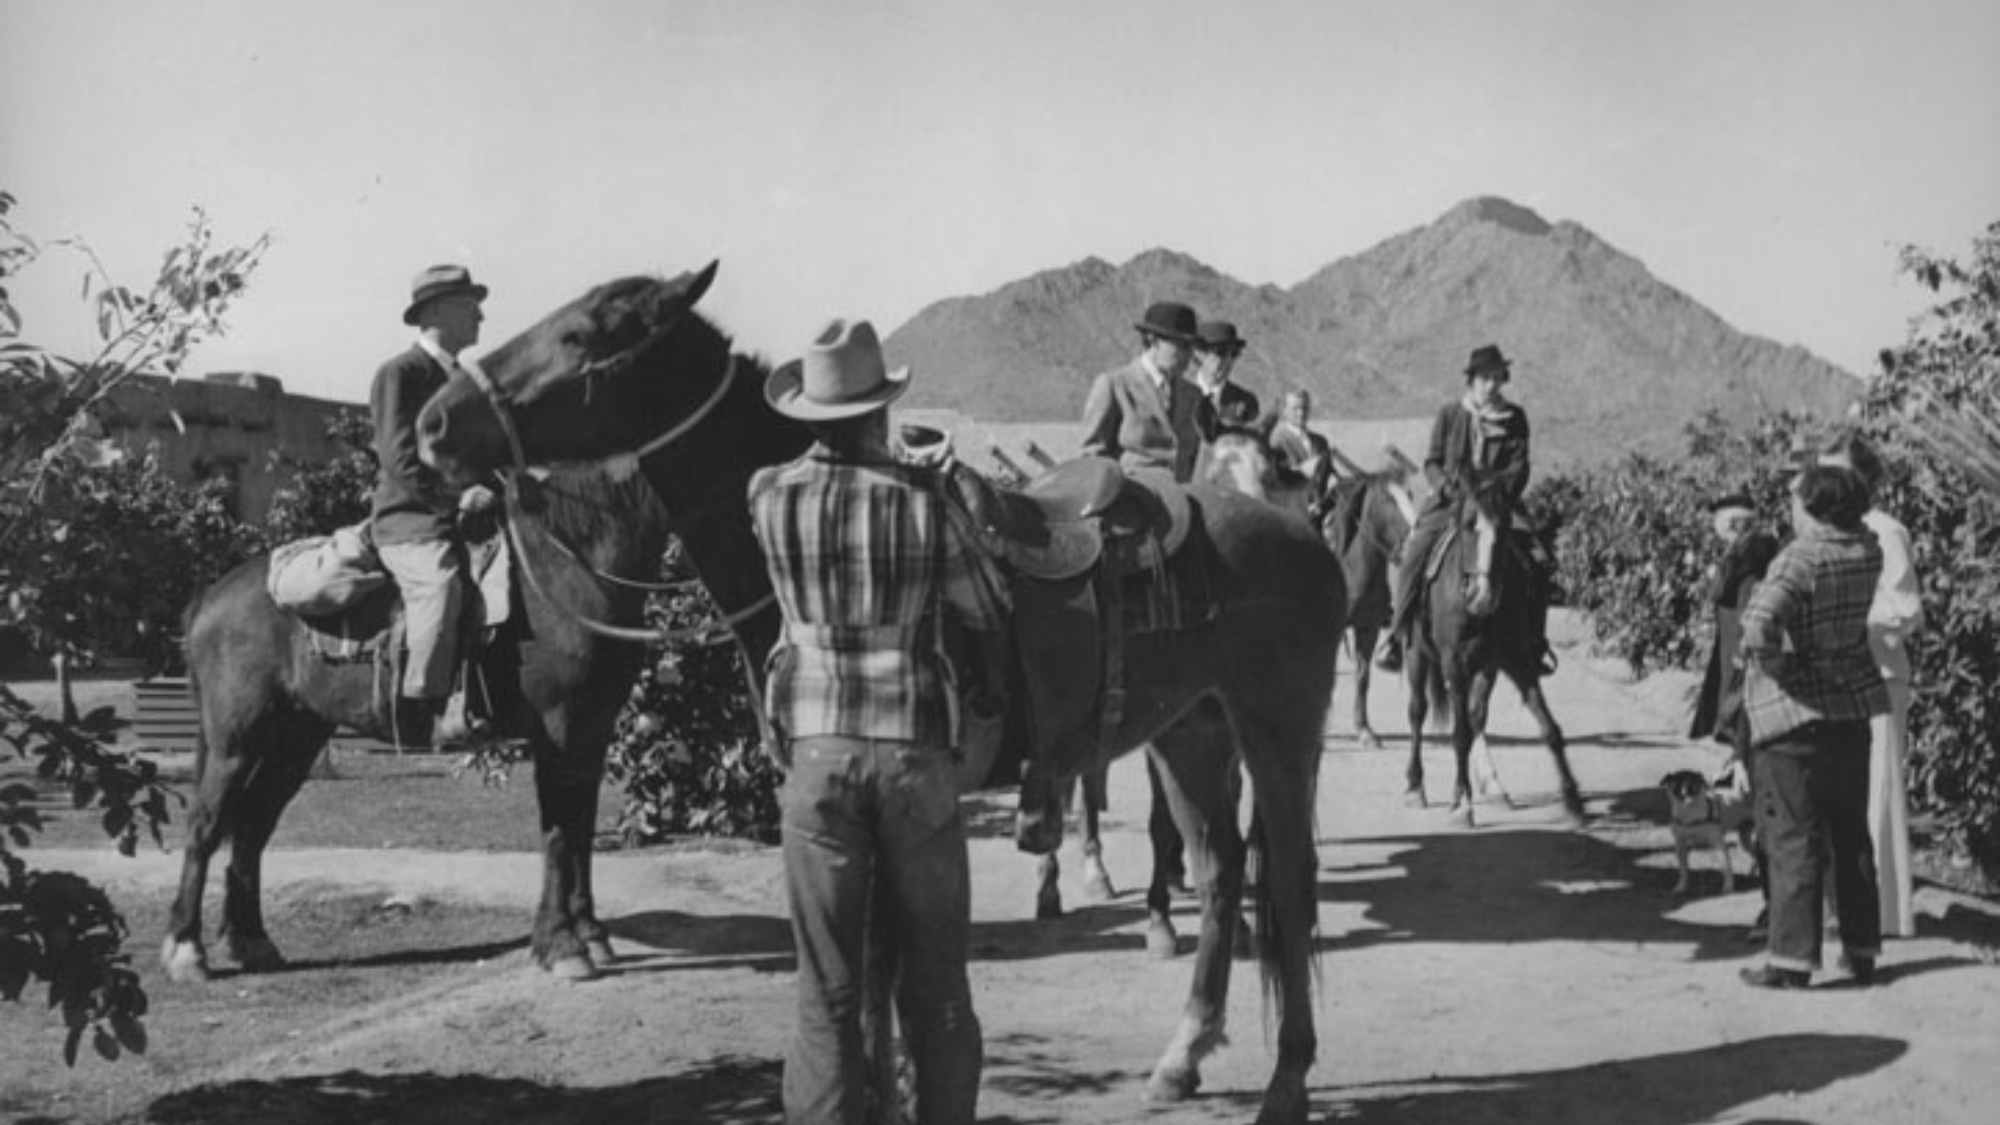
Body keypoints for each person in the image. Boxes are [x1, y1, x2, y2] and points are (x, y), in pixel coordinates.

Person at [749, 317, 1006, 1125]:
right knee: (938, 989)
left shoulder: (767, 495)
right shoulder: (923, 501)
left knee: (826, 995)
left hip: (816, 755)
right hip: (914, 757)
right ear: (877, 411)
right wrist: (937, 483)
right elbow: (986, 604)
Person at [1736, 464, 1890, 990]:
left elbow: (1756, 628)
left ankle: (1792, 960)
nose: (1790, 509)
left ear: (1814, 507)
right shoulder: (1869, 550)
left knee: (1792, 837)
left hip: (1793, 718)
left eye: (1795, 500)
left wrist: (1783, 671)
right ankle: (1862, 949)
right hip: (1851, 708)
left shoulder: (1800, 558)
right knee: (1850, 834)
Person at [369, 263, 497, 744]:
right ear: (439, 311)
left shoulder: (467, 379)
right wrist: (457, 497)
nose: (481, 316)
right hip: (413, 520)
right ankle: (424, 708)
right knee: (441, 588)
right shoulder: (400, 374)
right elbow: (400, 460)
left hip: (475, 517)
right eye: (470, 306)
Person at [1822, 431, 1925, 939]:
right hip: (1837, 677)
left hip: (1879, 673)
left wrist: (1847, 619)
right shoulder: (1830, 533)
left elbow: (1905, 609)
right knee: (1844, 789)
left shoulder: (1885, 532)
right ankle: (1849, 905)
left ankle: (1882, 914)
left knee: (1878, 789)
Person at [1375, 344, 1531, 673]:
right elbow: (1432, 460)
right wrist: (1446, 486)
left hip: (1496, 505)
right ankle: (1397, 634)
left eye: (1497, 378)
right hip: (1451, 503)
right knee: (1414, 553)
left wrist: (1498, 492)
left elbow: (1520, 466)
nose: (1492, 385)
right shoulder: (1450, 414)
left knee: (1537, 559)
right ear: (1472, 380)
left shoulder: (1514, 418)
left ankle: (1532, 642)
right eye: (1486, 378)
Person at [1687, 492, 1782, 935]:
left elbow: (1750, 653)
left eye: (1735, 527)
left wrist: (1736, 719)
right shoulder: (1740, 569)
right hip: (1740, 699)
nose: (1729, 537)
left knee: (1760, 810)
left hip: (1749, 703)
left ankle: (1779, 907)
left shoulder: (1750, 575)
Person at [1080, 301, 1204, 482]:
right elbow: (1093, 456)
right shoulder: (1115, 385)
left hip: (1183, 500)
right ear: (1153, 341)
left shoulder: (1193, 395)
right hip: (1133, 501)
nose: (1189, 355)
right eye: (1181, 345)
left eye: (1191, 347)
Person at [1190, 320, 1260, 441]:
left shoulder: (1246, 402)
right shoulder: (1178, 394)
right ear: (1199, 354)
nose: (1228, 361)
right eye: (1220, 352)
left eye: (1234, 354)